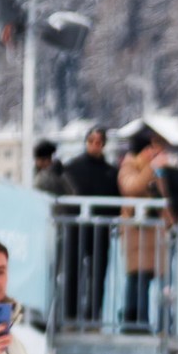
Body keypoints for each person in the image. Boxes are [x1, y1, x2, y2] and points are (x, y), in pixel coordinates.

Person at [60, 126, 120, 325]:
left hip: (101, 230)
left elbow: (116, 202)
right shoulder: (72, 168)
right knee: (73, 272)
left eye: (99, 142)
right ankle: (70, 315)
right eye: (91, 141)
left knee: (98, 275)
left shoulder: (110, 172)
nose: (95, 145)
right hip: (76, 228)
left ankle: (93, 317)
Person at [117, 129, 172, 332]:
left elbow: (164, 198)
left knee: (146, 277)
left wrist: (168, 220)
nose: (153, 153)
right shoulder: (129, 166)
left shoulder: (153, 170)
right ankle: (132, 320)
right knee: (135, 277)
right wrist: (151, 170)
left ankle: (144, 320)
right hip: (135, 234)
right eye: (149, 148)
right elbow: (131, 187)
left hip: (151, 235)